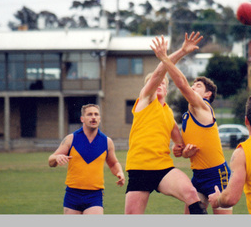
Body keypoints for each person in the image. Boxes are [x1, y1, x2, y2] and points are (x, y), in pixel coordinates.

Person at [124, 33, 208, 214]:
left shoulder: (168, 112)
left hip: (163, 168)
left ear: (168, 87)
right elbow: (158, 74)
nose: (160, 83)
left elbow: (180, 145)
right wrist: (182, 52)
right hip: (139, 168)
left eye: (164, 82)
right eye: (157, 82)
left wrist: (184, 150)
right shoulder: (145, 101)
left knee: (192, 193)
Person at [151, 34, 231, 214]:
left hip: (216, 174)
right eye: (194, 84)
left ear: (208, 94)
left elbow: (182, 85)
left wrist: (164, 57)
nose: (193, 87)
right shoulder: (187, 117)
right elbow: (187, 151)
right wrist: (183, 152)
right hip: (198, 175)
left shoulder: (204, 108)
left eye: (199, 86)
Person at [48, 104, 125, 214]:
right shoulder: (71, 139)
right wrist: (56, 157)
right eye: (89, 114)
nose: (93, 117)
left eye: (96, 114)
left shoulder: (107, 142)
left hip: (94, 195)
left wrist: (120, 172)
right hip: (72, 194)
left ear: (99, 118)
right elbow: (50, 161)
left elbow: (113, 163)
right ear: (82, 119)